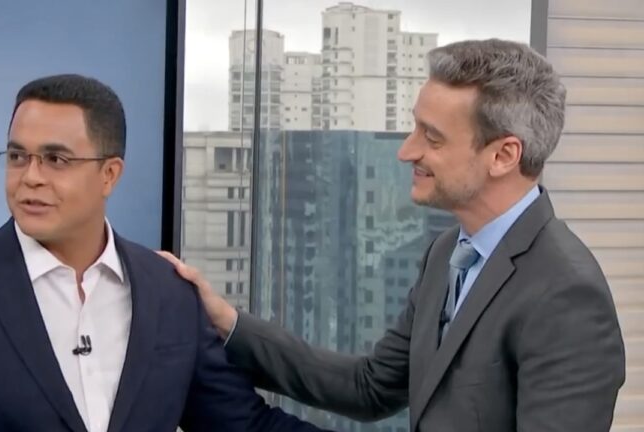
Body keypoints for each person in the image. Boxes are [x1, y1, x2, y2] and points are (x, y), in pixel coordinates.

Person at [158, 39, 626, 432]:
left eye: (433, 137)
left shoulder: (566, 293)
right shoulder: (448, 252)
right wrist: (226, 321)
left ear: (503, 155)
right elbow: (371, 386)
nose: (407, 150)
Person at [0, 74, 331, 432]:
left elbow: (244, 425)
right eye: (17, 156)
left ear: (110, 174)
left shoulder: (167, 294)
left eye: (55, 159)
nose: (30, 177)